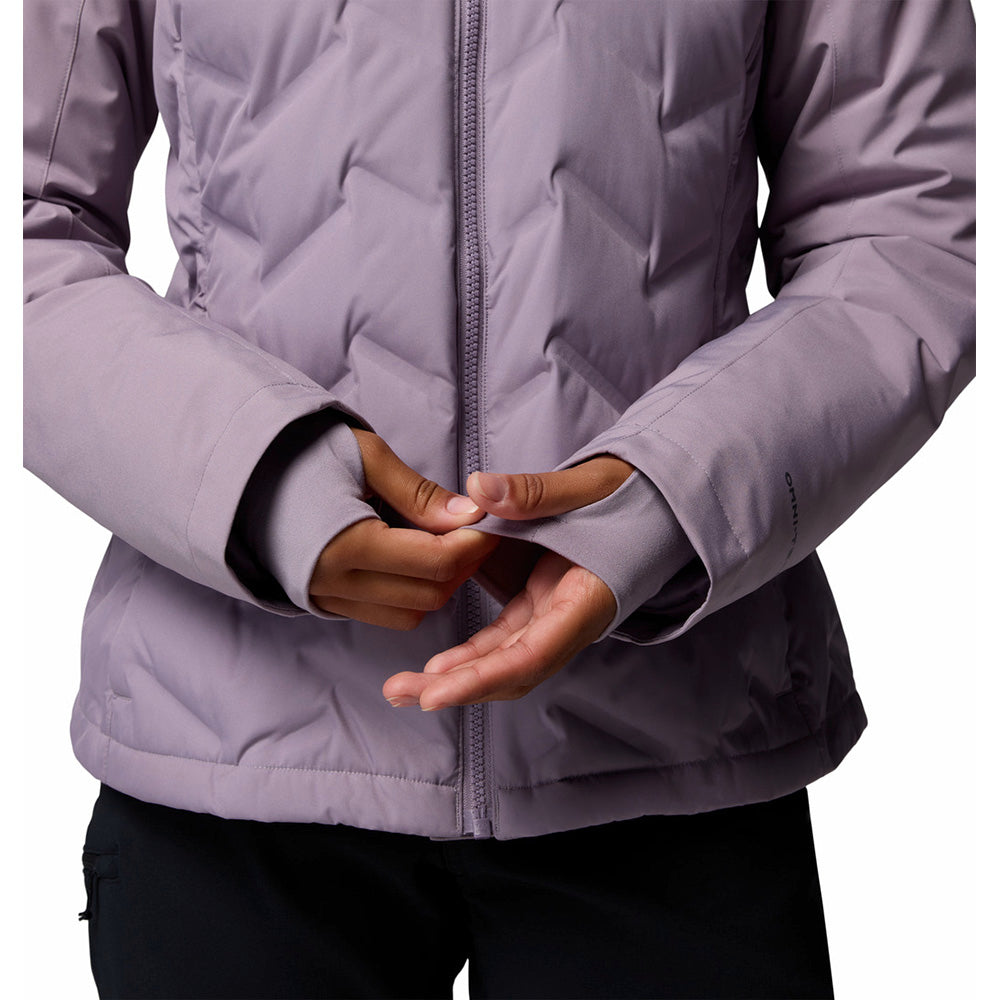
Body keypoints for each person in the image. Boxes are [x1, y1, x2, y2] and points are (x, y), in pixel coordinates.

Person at [23, 1, 975, 998]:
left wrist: (667, 502)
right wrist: (262, 480)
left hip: (674, 747)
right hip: (228, 753)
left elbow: (904, 232)